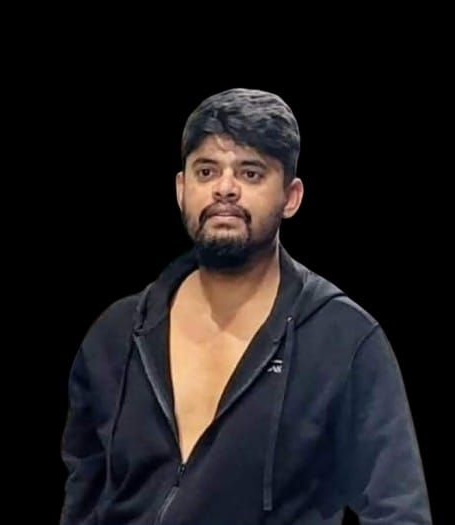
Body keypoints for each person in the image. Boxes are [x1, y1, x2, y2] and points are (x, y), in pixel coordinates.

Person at [59, 88, 432, 524]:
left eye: (250, 173)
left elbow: (398, 511)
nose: (225, 189)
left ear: (291, 197)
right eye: (206, 171)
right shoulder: (116, 335)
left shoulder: (343, 340)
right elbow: (82, 497)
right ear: (181, 189)